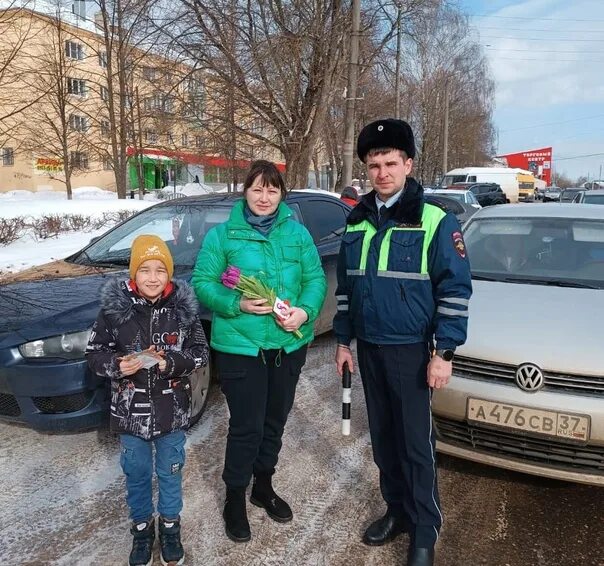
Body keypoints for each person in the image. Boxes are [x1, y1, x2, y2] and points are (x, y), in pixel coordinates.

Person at [333, 119, 472, 566]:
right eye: (373, 164)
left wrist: (444, 352)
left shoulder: (434, 221)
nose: (382, 172)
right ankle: (396, 510)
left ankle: (425, 530)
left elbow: (454, 291)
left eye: (391, 162)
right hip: (370, 348)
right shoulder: (355, 223)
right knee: (384, 441)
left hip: (412, 350)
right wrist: (342, 342)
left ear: (408, 164)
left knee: (416, 444)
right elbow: (346, 291)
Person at [192, 159, 326, 543]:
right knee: (246, 426)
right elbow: (202, 282)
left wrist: (305, 310)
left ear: (281, 193)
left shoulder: (297, 234)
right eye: (257, 189)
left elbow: (315, 278)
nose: (264, 197)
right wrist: (237, 305)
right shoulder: (223, 236)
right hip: (241, 348)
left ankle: (262, 486)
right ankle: (234, 496)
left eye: (272, 190)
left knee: (275, 421)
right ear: (245, 191)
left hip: (287, 344)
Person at [86, 234, 209, 566]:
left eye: (160, 269)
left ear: (169, 274)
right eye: (144, 270)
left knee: (170, 471)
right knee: (137, 472)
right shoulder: (113, 312)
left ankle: (170, 527)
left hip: (173, 411)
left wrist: (173, 362)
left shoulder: (183, 311)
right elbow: (95, 354)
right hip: (131, 413)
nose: (152, 277)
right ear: (132, 274)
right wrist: (117, 366)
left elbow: (200, 354)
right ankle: (142, 531)